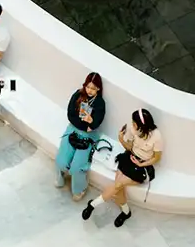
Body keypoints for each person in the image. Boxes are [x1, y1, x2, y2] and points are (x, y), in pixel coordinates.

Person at [85, 106, 161, 227]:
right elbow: (130, 148)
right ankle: (126, 212)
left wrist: (141, 163)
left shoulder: (156, 136)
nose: (132, 125)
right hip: (129, 158)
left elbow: (157, 158)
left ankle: (93, 204)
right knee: (118, 187)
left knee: (118, 185)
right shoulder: (133, 130)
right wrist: (121, 139)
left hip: (143, 166)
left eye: (134, 123)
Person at [55, 71, 107, 201]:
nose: (89, 90)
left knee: (77, 167)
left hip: (89, 135)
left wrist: (90, 122)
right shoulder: (78, 95)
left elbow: (96, 123)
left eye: (93, 88)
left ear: (98, 89)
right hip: (74, 129)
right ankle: (60, 177)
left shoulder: (100, 103)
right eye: (88, 87)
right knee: (61, 160)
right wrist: (85, 125)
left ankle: (80, 187)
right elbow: (70, 115)